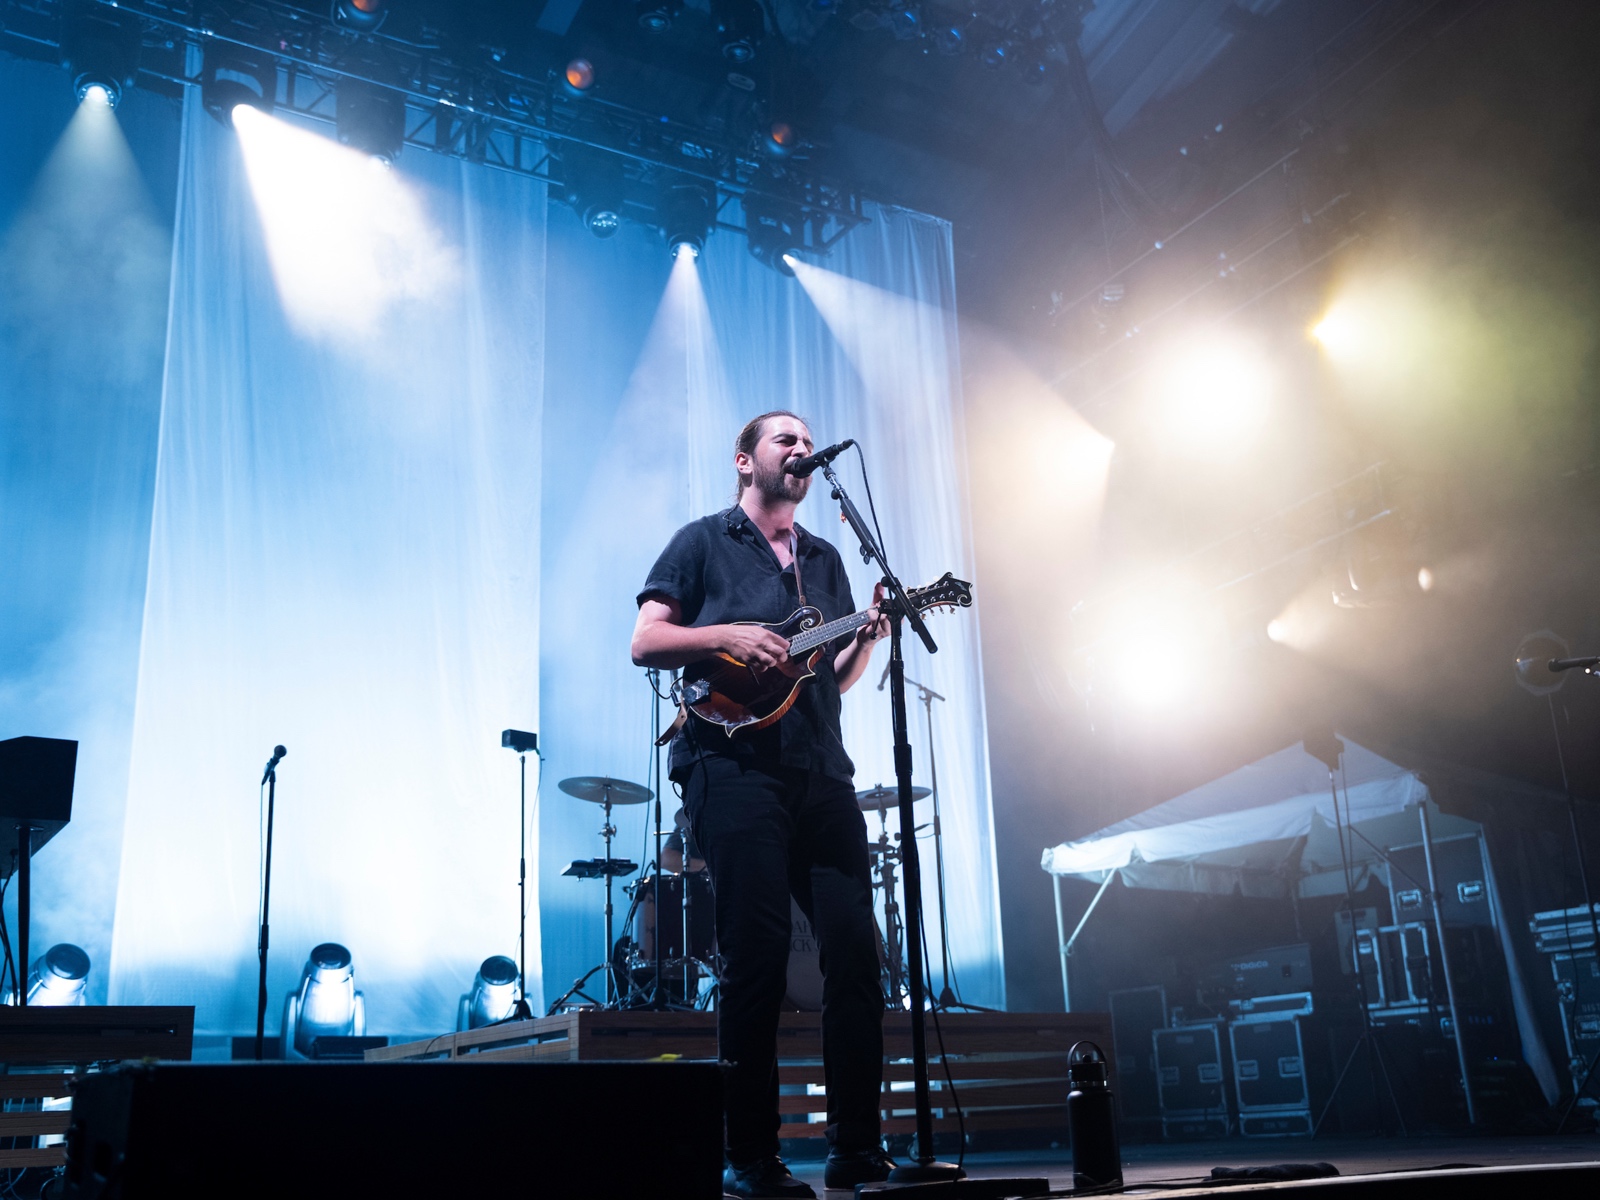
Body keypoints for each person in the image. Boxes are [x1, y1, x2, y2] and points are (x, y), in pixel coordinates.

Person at [632, 411, 894, 1198]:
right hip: (731, 760)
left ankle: (855, 1146)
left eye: (806, 439)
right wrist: (728, 637)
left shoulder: (824, 556)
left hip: (821, 770)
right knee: (758, 955)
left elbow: (830, 676)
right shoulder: (703, 541)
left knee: (854, 953)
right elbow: (646, 641)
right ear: (745, 460)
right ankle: (750, 1156)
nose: (800, 448)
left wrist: (870, 632)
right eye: (785, 438)